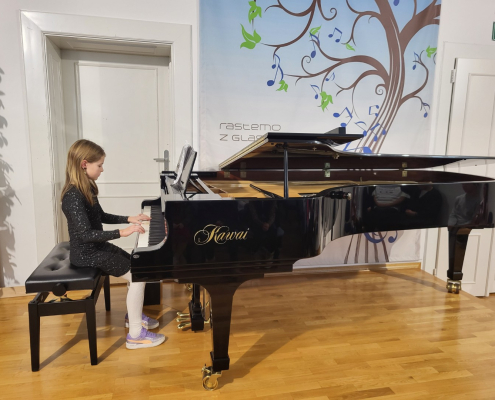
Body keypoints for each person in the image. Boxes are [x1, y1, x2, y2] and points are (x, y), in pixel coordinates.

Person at [61, 139, 166, 349]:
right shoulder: (72, 196)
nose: (102, 169)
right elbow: (85, 235)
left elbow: (100, 216)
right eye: (99, 165)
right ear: (84, 164)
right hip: (87, 253)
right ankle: (135, 335)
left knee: (137, 265)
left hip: (96, 248)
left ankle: (133, 317)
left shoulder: (86, 187)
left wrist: (129, 218)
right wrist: (122, 232)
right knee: (138, 276)